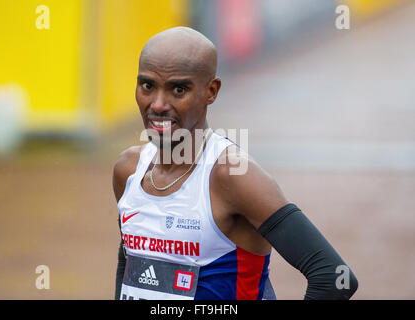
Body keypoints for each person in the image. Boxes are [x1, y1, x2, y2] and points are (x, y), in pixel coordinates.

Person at [112, 26, 358, 300]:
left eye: (178, 89)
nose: (157, 104)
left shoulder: (234, 176)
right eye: (147, 85)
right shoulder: (129, 170)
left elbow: (333, 277)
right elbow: (130, 265)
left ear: (211, 91)